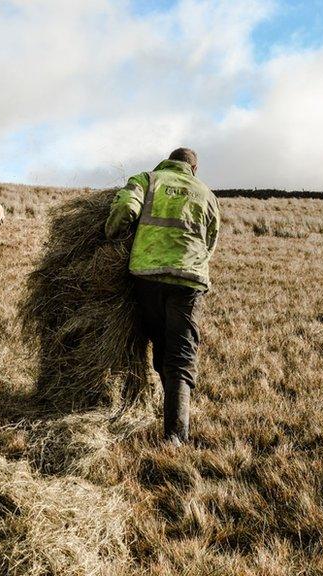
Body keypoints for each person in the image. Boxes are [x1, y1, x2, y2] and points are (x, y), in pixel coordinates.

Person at [104, 148, 220, 446]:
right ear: (194, 168)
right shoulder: (206, 193)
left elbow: (125, 210)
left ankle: (160, 405)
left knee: (158, 343)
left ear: (169, 161)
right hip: (188, 281)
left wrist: (110, 236)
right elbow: (211, 240)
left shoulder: (148, 179)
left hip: (148, 276)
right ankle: (175, 437)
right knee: (181, 354)